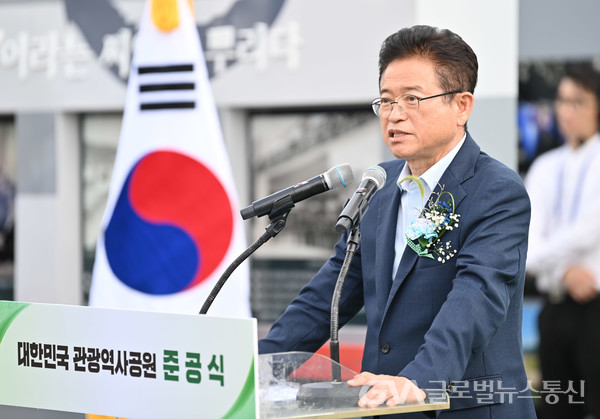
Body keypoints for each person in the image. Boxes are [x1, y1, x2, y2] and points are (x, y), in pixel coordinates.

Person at [259, 25, 535, 418]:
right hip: (385, 404)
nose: (395, 115)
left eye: (412, 99)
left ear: (462, 106)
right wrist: (259, 365)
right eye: (386, 101)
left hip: (465, 407)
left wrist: (419, 380)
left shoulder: (495, 190)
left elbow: (476, 296)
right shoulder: (380, 186)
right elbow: (328, 296)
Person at [525, 63, 600, 419]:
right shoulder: (543, 166)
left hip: (596, 307)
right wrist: (564, 272)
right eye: (562, 100)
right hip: (554, 309)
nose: (566, 110)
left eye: (577, 101)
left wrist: (550, 260)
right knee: (557, 409)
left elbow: (591, 228)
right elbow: (524, 246)